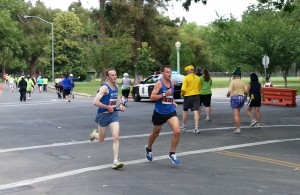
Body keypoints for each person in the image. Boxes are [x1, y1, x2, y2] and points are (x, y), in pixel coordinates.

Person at [89, 68, 125, 169]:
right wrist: (107, 107)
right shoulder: (104, 88)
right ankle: (93, 134)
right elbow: (95, 102)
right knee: (101, 139)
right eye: (112, 75)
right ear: (108, 77)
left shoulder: (116, 86)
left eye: (115, 75)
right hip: (103, 115)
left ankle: (115, 161)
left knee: (116, 137)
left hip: (113, 115)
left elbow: (117, 95)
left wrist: (121, 104)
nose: (115, 77)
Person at [145, 65, 181, 165]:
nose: (169, 74)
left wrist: (172, 101)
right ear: (162, 73)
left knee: (177, 131)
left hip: (170, 111)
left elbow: (171, 95)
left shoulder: (172, 83)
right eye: (167, 72)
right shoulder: (159, 84)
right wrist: (164, 94)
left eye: (170, 72)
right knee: (155, 134)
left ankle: (172, 153)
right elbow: (152, 97)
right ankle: (149, 148)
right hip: (159, 112)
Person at [180, 65, 201, 133]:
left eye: (186, 71)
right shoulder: (198, 78)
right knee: (196, 111)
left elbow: (183, 89)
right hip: (196, 95)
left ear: (188, 71)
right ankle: (196, 128)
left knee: (185, 110)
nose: (186, 72)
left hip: (188, 96)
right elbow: (199, 88)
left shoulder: (186, 78)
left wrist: (182, 94)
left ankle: (184, 126)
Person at [226, 66, 247, 134]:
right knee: (238, 113)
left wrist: (228, 95)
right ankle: (238, 126)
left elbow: (229, 91)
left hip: (235, 97)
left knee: (236, 114)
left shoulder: (233, 81)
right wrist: (245, 96)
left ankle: (238, 128)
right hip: (241, 98)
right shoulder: (243, 82)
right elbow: (246, 91)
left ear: (234, 75)